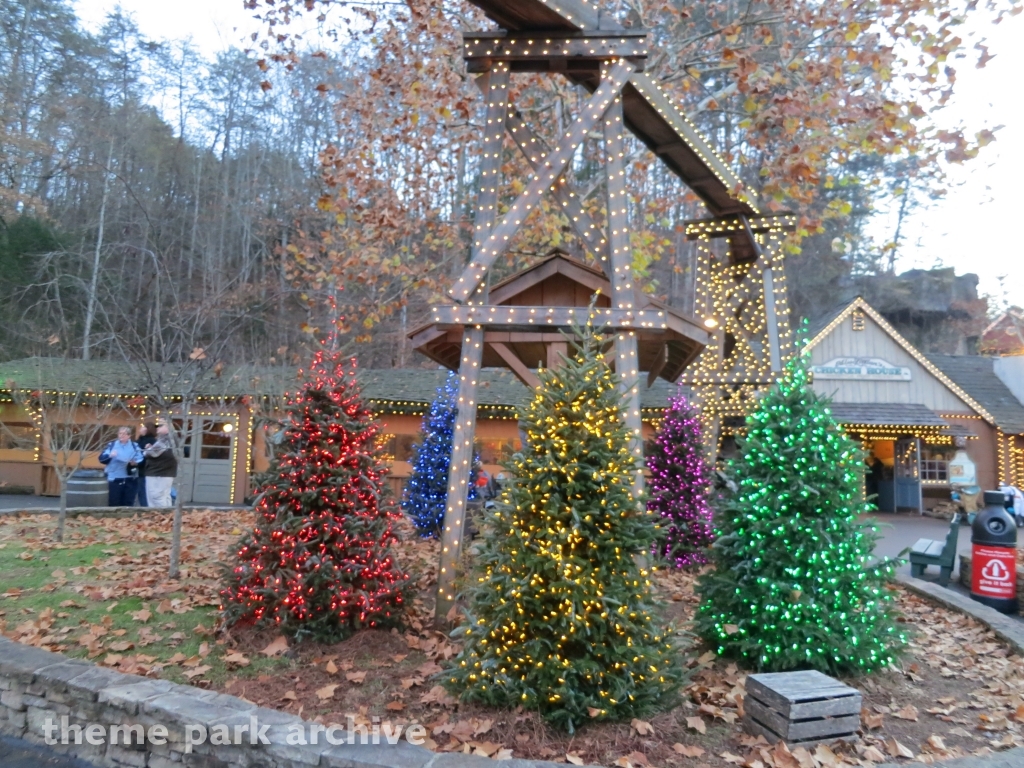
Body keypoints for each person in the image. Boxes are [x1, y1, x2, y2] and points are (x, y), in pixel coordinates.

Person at [98, 427, 144, 506]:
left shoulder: (135, 446)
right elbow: (102, 459)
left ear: (129, 436)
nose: (121, 436)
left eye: (124, 434)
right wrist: (110, 455)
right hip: (114, 478)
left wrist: (135, 463)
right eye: (120, 433)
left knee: (128, 503)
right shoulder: (112, 445)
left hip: (130, 478)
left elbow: (141, 459)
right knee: (114, 502)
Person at [143, 422, 178, 508]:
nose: (157, 427)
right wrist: (151, 448)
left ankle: (160, 519)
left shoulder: (165, 439)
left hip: (158, 474)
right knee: (165, 497)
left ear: (168, 427)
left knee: (156, 498)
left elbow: (150, 453)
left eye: (160, 425)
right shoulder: (172, 439)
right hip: (165, 473)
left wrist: (148, 450)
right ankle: (166, 518)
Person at [135, 422, 157, 506]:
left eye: (143, 426)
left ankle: (145, 510)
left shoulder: (151, 441)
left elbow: (149, 457)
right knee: (140, 493)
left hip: (146, 470)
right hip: (139, 470)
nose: (140, 428)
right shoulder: (140, 439)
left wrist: (138, 463)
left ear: (147, 429)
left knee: (144, 493)